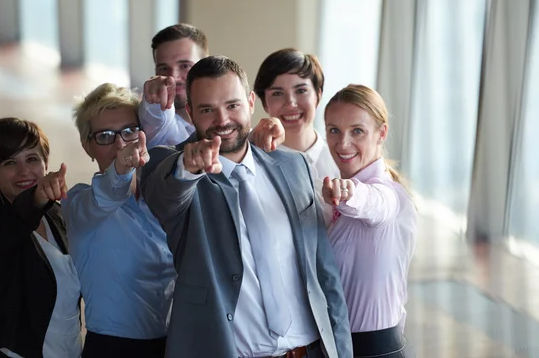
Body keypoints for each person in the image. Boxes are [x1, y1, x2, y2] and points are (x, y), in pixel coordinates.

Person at [141, 55, 352, 358]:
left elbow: (325, 275)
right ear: (190, 112)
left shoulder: (294, 166)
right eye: (207, 109)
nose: (222, 120)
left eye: (232, 105)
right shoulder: (175, 168)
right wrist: (189, 167)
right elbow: (166, 195)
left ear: (251, 102)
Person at [60, 84, 177, 358]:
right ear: (87, 145)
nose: (120, 144)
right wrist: (121, 169)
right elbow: (107, 193)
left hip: (174, 343)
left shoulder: (161, 199)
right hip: (113, 348)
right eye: (105, 136)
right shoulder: (79, 203)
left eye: (129, 130)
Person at [0, 117, 82, 358]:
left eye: (32, 159)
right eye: (10, 162)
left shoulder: (56, 213)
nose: (24, 171)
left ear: (45, 163)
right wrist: (38, 198)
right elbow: (11, 227)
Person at [322, 85, 417, 358]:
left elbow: (374, 203)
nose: (343, 143)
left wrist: (349, 193)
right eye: (334, 130)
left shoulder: (387, 194)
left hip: (374, 349)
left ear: (381, 133)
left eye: (357, 131)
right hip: (342, 345)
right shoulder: (332, 195)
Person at [253, 48, 339, 225]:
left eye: (301, 91)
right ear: (264, 103)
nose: (290, 103)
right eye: (277, 93)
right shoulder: (252, 163)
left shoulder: (340, 158)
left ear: (318, 95)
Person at [140, 23, 209, 147]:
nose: (173, 77)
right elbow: (154, 115)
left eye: (185, 66)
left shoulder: (224, 119)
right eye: (163, 68)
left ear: (206, 65)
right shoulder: (158, 125)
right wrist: (152, 98)